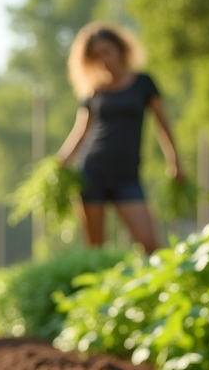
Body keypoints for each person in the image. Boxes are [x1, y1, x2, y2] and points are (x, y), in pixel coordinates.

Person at [57, 23, 185, 254]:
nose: (103, 59)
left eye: (107, 51)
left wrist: (174, 161)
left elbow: (163, 124)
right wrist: (62, 159)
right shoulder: (93, 90)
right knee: (95, 250)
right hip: (91, 171)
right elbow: (81, 130)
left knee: (150, 245)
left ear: (120, 49)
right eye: (96, 56)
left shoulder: (143, 83)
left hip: (127, 176)